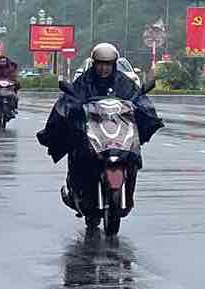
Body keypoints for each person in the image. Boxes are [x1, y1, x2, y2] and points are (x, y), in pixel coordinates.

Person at [38, 43, 162, 215]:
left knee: (133, 156)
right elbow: (70, 98)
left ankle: (128, 193)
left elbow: (137, 99)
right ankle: (76, 190)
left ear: (114, 64)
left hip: (117, 132)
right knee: (77, 149)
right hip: (91, 131)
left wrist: (141, 106)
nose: (104, 68)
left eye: (108, 64)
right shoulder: (84, 81)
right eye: (100, 63)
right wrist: (73, 107)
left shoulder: (123, 82)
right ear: (94, 63)